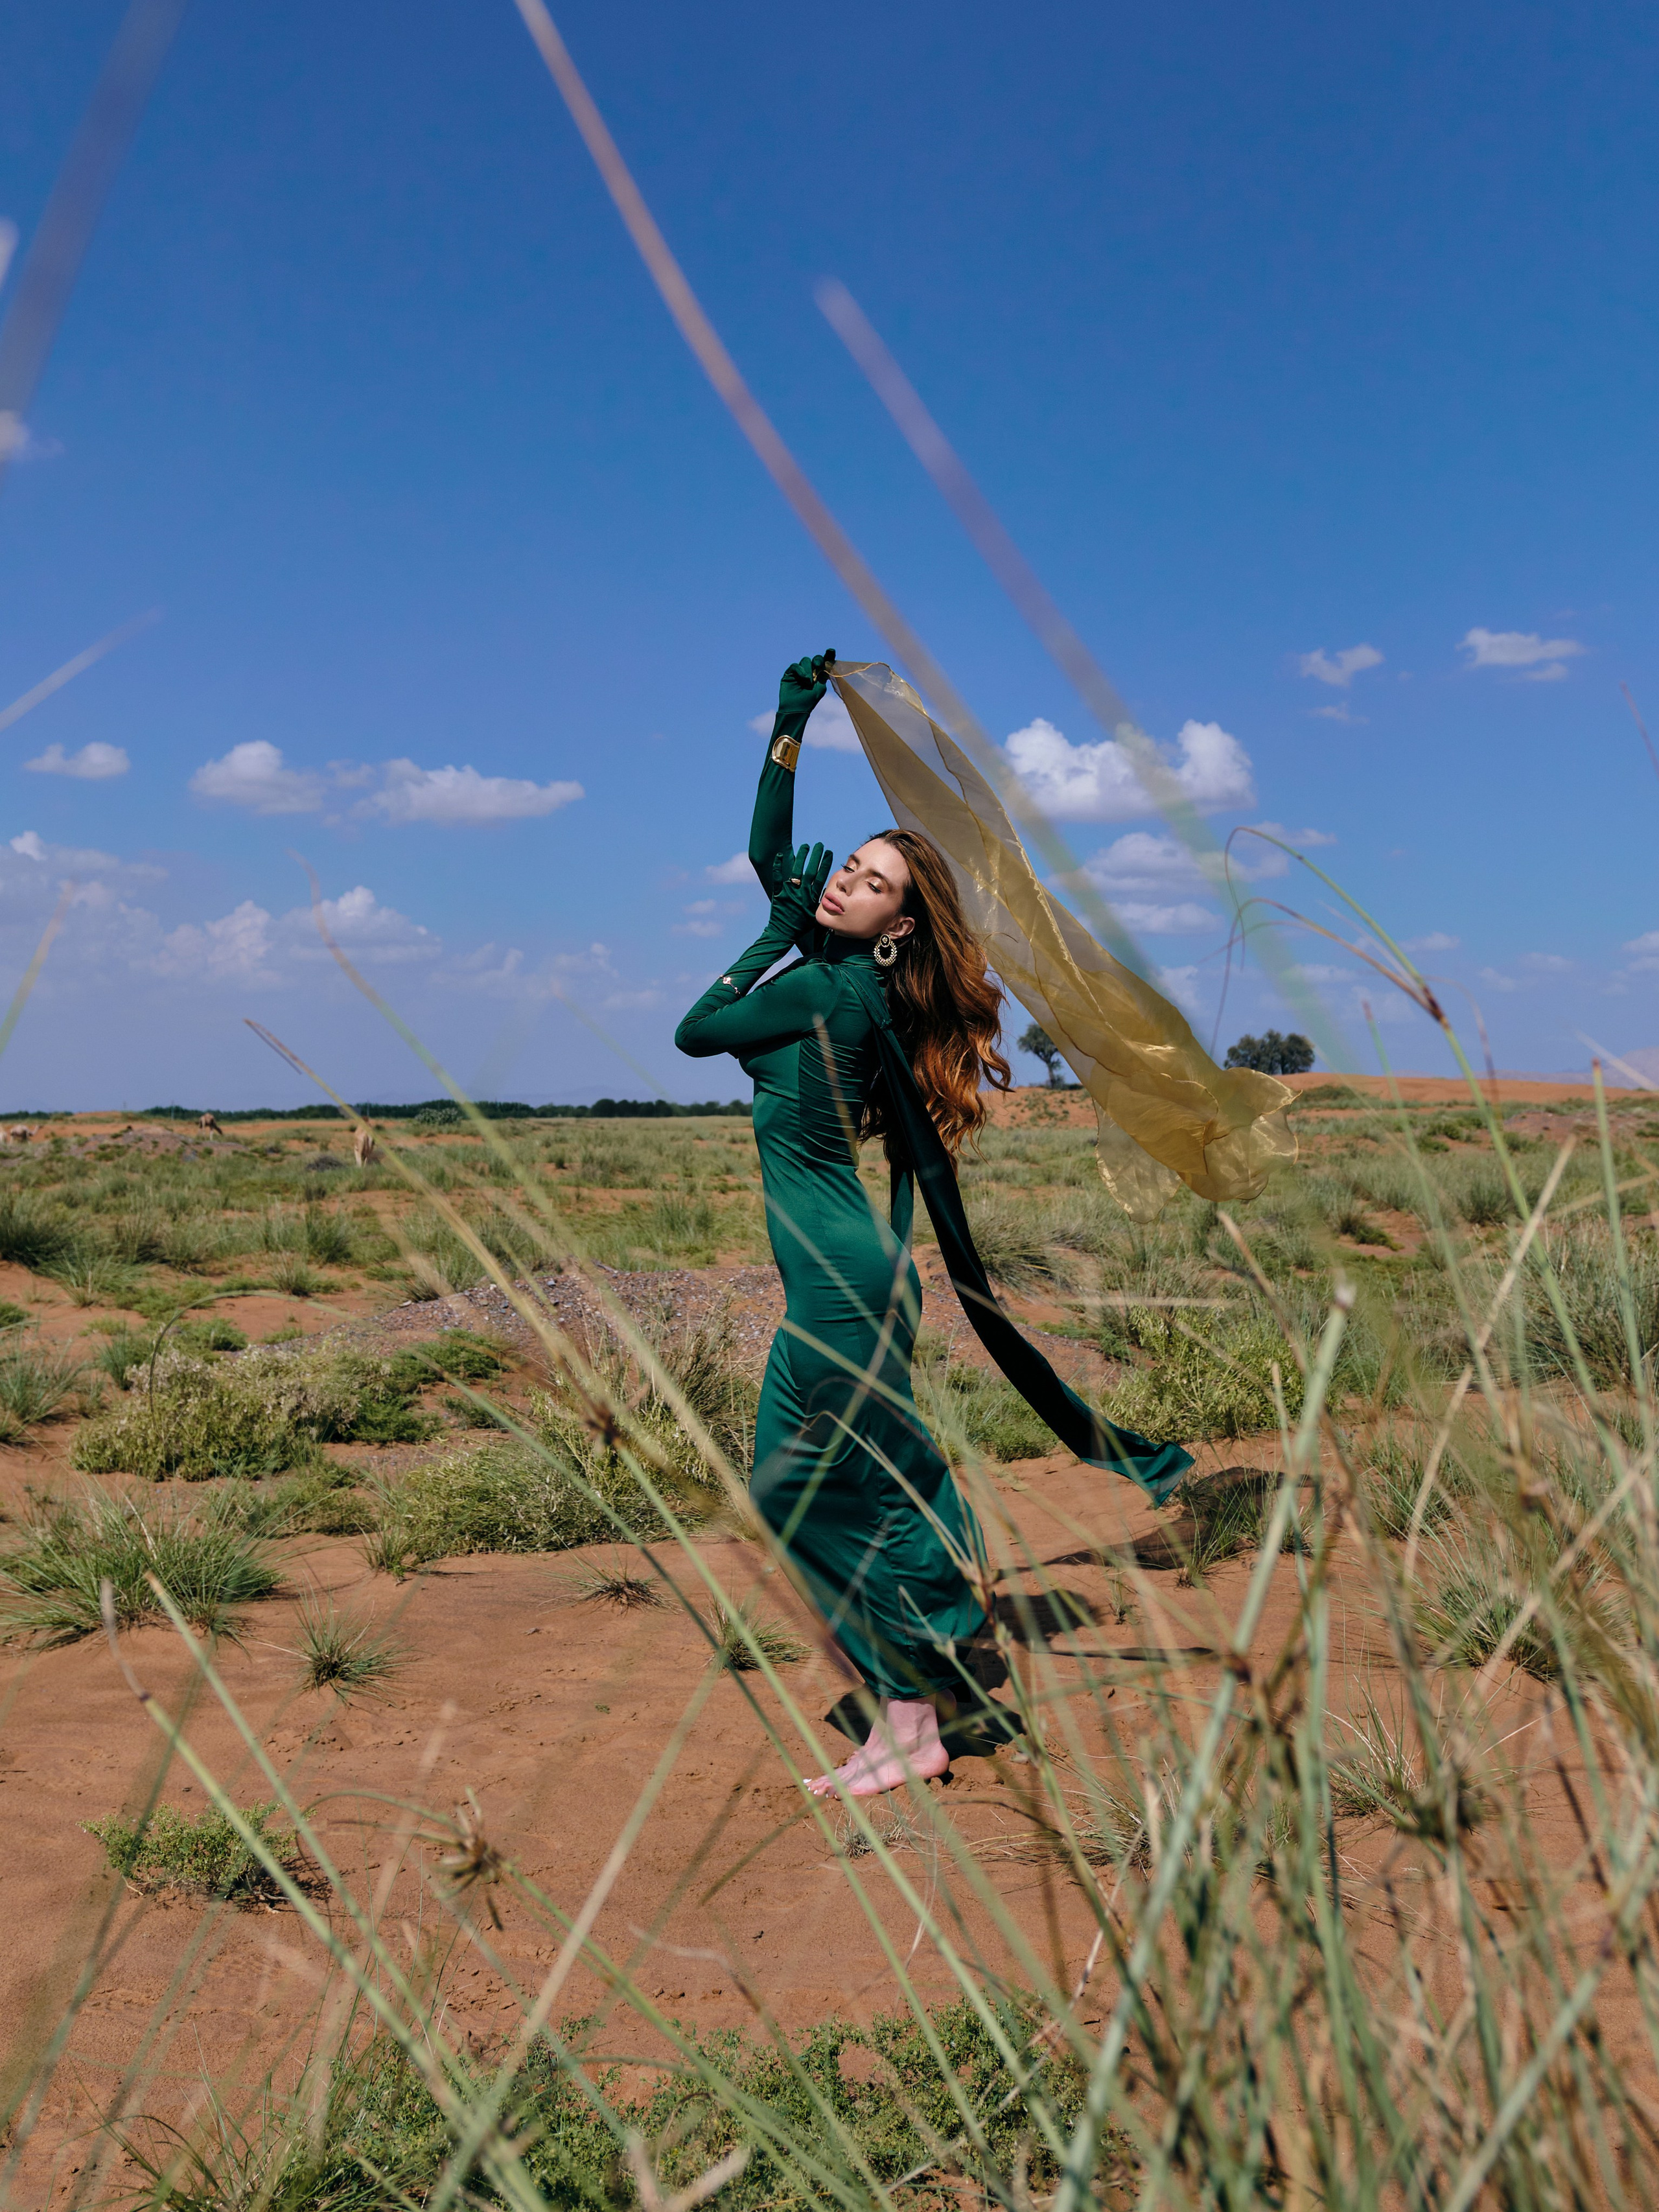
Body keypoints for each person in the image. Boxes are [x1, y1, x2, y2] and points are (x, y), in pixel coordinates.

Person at [675, 653, 1189, 1799]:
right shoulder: (846, 980)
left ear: (899, 928)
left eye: (874, 884)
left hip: (842, 1284)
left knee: (851, 1489)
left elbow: (697, 1029)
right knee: (789, 1492)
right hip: (837, 1277)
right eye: (851, 869)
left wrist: (771, 933)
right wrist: (791, 724)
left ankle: (914, 1712)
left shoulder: (826, 990)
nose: (846, 885)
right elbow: (770, 855)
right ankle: (919, 1682)